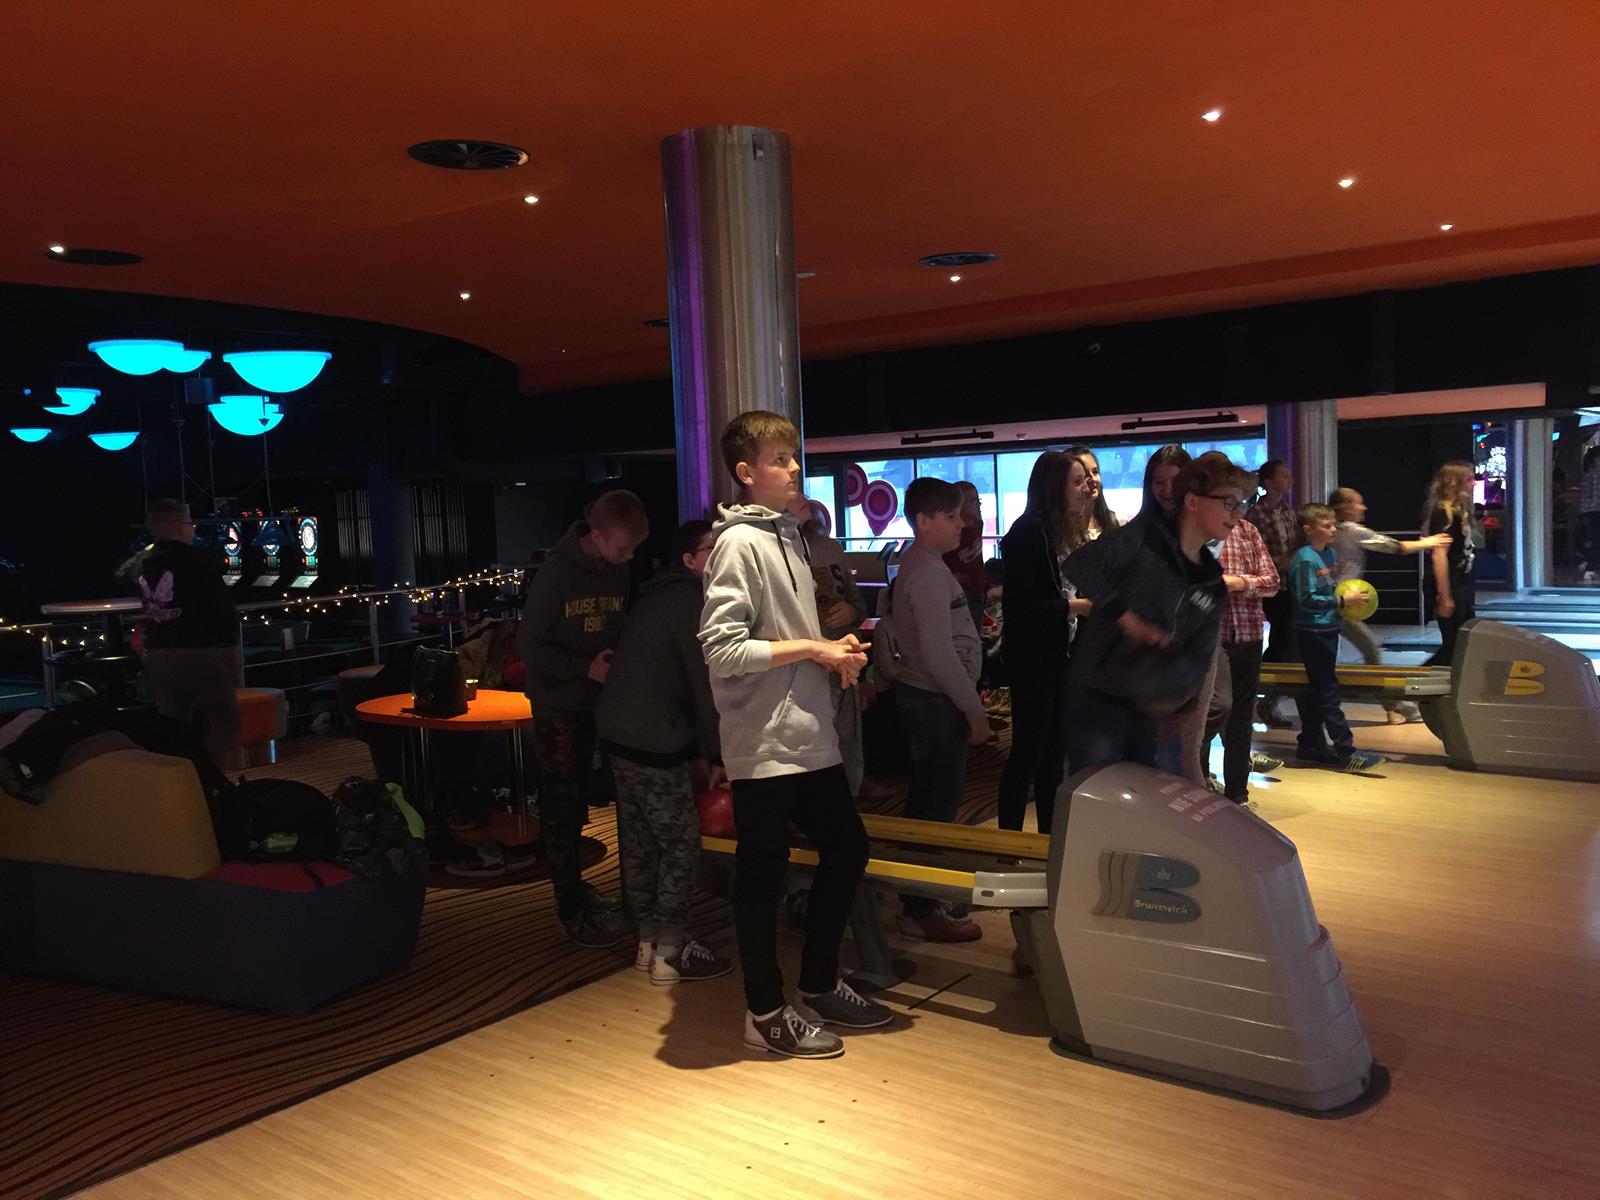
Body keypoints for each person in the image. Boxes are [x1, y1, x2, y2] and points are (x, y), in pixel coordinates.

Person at [699, 409, 891, 1060]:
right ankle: (763, 1011)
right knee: (765, 873)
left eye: (793, 457)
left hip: (805, 732)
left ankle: (817, 982)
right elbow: (722, 649)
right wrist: (814, 647)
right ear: (745, 472)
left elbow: (785, 635)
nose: (793, 469)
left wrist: (832, 655)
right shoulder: (738, 543)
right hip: (763, 740)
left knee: (846, 848)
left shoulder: (788, 537)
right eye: (779, 460)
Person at [596, 520, 732, 985]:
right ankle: (671, 952)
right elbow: (704, 685)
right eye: (712, 549)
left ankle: (647, 943)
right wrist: (718, 755)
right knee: (679, 842)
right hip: (651, 737)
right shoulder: (691, 604)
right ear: (690, 561)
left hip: (618, 731)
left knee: (638, 841)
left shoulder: (656, 596)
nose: (723, 555)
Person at [517, 489, 648, 948]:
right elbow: (528, 646)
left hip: (595, 700)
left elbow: (615, 626)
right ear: (598, 535)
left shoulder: (618, 570)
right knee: (561, 805)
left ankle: (576, 891)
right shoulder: (556, 573)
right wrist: (583, 668)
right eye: (623, 548)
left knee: (582, 800)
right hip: (557, 705)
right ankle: (568, 906)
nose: (629, 557)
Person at [1063, 454, 1245, 774]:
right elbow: (1079, 564)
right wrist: (1128, 619)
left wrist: (1179, 704)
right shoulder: (1143, 537)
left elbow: (1198, 658)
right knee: (1095, 790)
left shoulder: (1212, 582)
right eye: (1229, 502)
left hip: (1152, 710)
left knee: (1146, 793)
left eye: (1241, 504)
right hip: (1100, 694)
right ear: (1193, 501)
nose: (1237, 513)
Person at [878, 477, 989, 941]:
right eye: (951, 516)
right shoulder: (924, 573)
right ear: (923, 521)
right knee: (933, 808)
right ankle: (920, 909)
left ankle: (921, 899)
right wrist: (973, 710)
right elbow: (939, 654)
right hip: (934, 701)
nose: (962, 524)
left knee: (932, 802)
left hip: (932, 699)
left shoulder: (925, 566)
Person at [997, 451, 1093, 833]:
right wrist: (1076, 606)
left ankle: (1047, 840)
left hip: (1055, 655)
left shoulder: (1057, 530)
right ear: (1054, 487)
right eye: (1077, 481)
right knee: (1029, 752)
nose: (1085, 488)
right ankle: (1009, 844)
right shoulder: (1029, 532)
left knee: (1052, 753)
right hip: (1034, 659)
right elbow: (1020, 608)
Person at [1329, 487, 1450, 721]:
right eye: (1358, 503)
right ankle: (1394, 705)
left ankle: (1391, 705)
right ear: (1345, 507)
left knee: (1309, 656)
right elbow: (1394, 546)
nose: (1363, 507)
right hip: (1339, 603)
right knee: (1370, 649)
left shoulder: (1338, 531)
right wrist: (1429, 542)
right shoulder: (1352, 531)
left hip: (1337, 601)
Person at [136, 499, 241, 769]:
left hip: (157, 652)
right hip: (197, 652)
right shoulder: (197, 559)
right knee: (224, 718)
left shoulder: (143, 562)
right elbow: (221, 608)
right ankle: (211, 777)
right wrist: (230, 646)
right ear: (181, 526)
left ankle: (180, 779)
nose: (193, 529)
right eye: (190, 523)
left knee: (172, 723)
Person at [786, 493, 869, 797]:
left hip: (842, 660)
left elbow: (858, 604)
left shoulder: (830, 548)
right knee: (812, 748)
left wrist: (851, 611)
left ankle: (851, 796)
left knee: (847, 737)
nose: (802, 498)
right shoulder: (776, 552)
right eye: (793, 494)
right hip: (800, 669)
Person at [1288, 504, 1382, 770]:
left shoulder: (1328, 553)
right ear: (1308, 530)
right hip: (1312, 632)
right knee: (1328, 692)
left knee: (1320, 690)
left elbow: (1328, 588)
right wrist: (1342, 600)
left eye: (1333, 525)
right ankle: (1346, 751)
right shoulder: (1305, 559)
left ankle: (1310, 745)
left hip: (1328, 628)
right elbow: (1306, 599)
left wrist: (1341, 603)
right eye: (1326, 526)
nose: (1333, 530)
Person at [1202, 515, 1281, 803]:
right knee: (1214, 707)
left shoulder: (1247, 530)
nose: (1234, 506)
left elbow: (1272, 582)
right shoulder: (1198, 527)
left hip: (1249, 633)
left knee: (1241, 717)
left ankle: (1238, 795)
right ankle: (1199, 779)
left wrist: (1239, 582)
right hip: (1210, 634)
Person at [1246, 459, 1301, 728]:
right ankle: (1263, 692)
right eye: (1284, 475)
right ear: (1268, 482)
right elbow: (1254, 552)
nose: (1289, 479)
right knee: (1283, 640)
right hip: (1271, 587)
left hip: (1290, 585)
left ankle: (1267, 696)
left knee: (1288, 641)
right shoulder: (1256, 514)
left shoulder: (1289, 511)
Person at [1421, 461, 1477, 667]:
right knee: (1454, 645)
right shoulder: (1444, 513)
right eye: (1469, 480)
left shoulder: (1459, 511)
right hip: (1448, 582)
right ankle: (1419, 679)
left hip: (1459, 580)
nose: (1474, 484)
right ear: (1455, 484)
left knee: (1461, 642)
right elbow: (1439, 555)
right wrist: (1444, 596)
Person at [943, 481, 988, 633]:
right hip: (959, 595)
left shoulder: (977, 523)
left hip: (977, 591)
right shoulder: (951, 532)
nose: (978, 504)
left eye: (978, 500)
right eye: (972, 501)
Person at [1579, 445, 1600, 581]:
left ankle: (1587, 563)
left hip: (1589, 510)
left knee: (1594, 538)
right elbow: (1597, 496)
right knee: (1597, 540)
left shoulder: (1588, 474)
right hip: (1597, 510)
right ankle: (1590, 568)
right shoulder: (1597, 474)